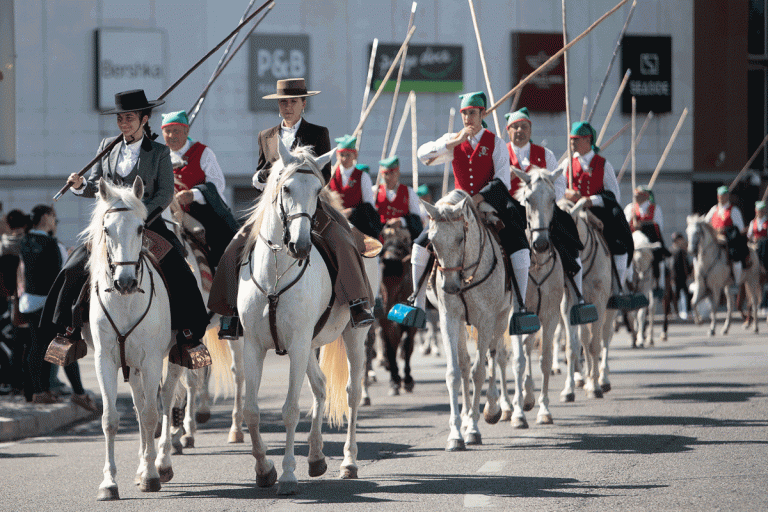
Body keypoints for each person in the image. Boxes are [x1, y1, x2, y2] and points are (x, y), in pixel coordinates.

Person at [41, 90, 211, 370]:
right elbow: (98, 185)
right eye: (120, 118)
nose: (123, 123)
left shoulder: (159, 153)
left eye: (129, 118)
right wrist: (82, 186)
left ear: (144, 119)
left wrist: (139, 215)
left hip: (148, 223)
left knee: (180, 270)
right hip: (110, 227)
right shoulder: (107, 146)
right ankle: (68, 331)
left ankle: (189, 337)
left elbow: (165, 192)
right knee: (72, 268)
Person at [210, 78, 375, 339]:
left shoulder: (318, 133)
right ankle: (230, 313)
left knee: (343, 239)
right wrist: (261, 178)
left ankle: (357, 303)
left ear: (303, 104)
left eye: (293, 102)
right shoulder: (266, 136)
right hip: (273, 209)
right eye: (283, 102)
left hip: (309, 205)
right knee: (234, 247)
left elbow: (327, 174)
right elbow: (259, 171)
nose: (287, 106)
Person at [406, 91, 530, 322]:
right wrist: (454, 141)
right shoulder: (453, 141)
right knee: (421, 243)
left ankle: (521, 305)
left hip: (488, 203)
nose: (467, 118)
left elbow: (502, 181)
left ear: (482, 113)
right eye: (464, 113)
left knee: (519, 243)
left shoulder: (496, 143)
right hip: (457, 202)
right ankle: (418, 301)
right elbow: (423, 155)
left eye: (472, 113)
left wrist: (477, 200)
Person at [19, 205, 97, 410]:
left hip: (31, 301)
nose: (55, 222)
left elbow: (22, 270)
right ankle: (79, 393)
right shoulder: (53, 244)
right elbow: (67, 274)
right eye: (54, 218)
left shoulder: (24, 241)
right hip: (52, 305)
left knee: (37, 348)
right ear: (46, 217)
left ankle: (39, 391)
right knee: (63, 346)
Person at [505, 107, 585, 294]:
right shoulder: (500, 153)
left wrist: (547, 204)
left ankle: (577, 293)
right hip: (510, 212)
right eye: (515, 127)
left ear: (530, 130)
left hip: (543, 210)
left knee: (568, 235)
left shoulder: (545, 154)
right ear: (508, 131)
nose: (519, 131)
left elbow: (559, 184)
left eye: (524, 126)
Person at [563, 121, 636, 300]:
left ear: (588, 140)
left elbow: (613, 195)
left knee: (620, 244)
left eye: (576, 139)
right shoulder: (567, 163)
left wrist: (590, 200)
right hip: (571, 212)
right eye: (571, 139)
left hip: (598, 212)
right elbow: (556, 189)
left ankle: (618, 286)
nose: (572, 143)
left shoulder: (603, 164)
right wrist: (567, 192)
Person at [160, 110, 238, 268]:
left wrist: (193, 194)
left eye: (176, 131)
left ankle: (221, 271)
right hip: (170, 214)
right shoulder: (160, 156)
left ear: (186, 131)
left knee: (221, 242)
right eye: (167, 131)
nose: (171, 135)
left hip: (201, 212)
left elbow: (218, 184)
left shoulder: (202, 152)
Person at [328, 134, 381, 238]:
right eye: (342, 155)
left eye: (348, 155)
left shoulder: (362, 176)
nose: (344, 158)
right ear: (337, 156)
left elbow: (368, 205)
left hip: (356, 222)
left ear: (355, 155)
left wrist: (352, 211)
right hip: (334, 221)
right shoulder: (330, 174)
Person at [625, 185, 671, 286]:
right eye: (635, 195)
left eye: (639, 195)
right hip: (633, 239)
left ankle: (658, 281)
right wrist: (632, 221)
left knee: (659, 257)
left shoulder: (655, 208)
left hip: (650, 239)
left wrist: (643, 225)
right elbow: (625, 225)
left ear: (646, 196)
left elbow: (659, 226)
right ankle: (626, 278)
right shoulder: (630, 208)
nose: (636, 197)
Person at [373, 155, 423, 242]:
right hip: (379, 235)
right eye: (386, 173)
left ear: (398, 173)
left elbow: (416, 218)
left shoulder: (409, 192)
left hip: (402, 237)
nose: (388, 177)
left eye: (392, 173)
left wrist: (401, 221)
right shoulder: (374, 191)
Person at [705, 186, 747, 284]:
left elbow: (740, 229)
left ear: (728, 196)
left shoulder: (734, 210)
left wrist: (725, 230)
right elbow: (706, 223)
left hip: (729, 240)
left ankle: (736, 280)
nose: (723, 197)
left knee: (735, 257)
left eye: (725, 195)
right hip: (715, 239)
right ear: (717, 196)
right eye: (721, 195)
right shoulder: (713, 209)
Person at [670, 232, 693, 319]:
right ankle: (676, 312)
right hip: (676, 277)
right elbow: (672, 265)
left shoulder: (682, 250)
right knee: (676, 295)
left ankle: (688, 311)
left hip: (683, 276)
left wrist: (689, 274)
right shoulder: (674, 250)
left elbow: (686, 264)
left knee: (687, 294)